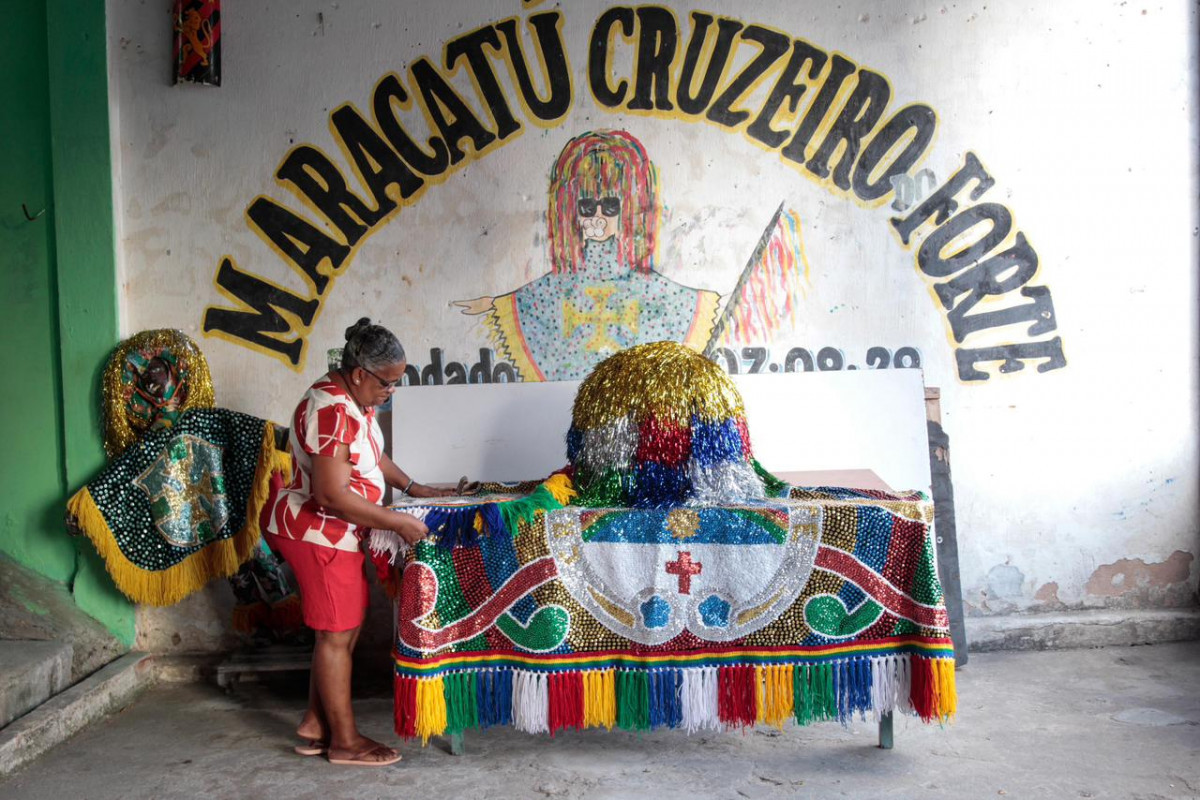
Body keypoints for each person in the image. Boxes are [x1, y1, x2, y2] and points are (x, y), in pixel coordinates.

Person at [264, 318, 451, 767]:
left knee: (340, 629)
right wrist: (393, 520)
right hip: (315, 531)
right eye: (387, 383)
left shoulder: (355, 399)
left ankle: (315, 725)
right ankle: (344, 743)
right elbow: (330, 494)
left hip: (335, 530)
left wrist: (415, 488)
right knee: (337, 633)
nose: (392, 392)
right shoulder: (330, 408)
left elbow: (372, 454)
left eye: (398, 382)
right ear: (360, 373)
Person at [455, 129, 719, 381]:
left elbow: (669, 296)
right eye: (588, 207)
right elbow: (541, 294)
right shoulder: (564, 277)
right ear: (572, 210)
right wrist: (495, 303)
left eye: (610, 206)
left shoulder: (641, 277)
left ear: (627, 207)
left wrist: (713, 301)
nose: (599, 217)